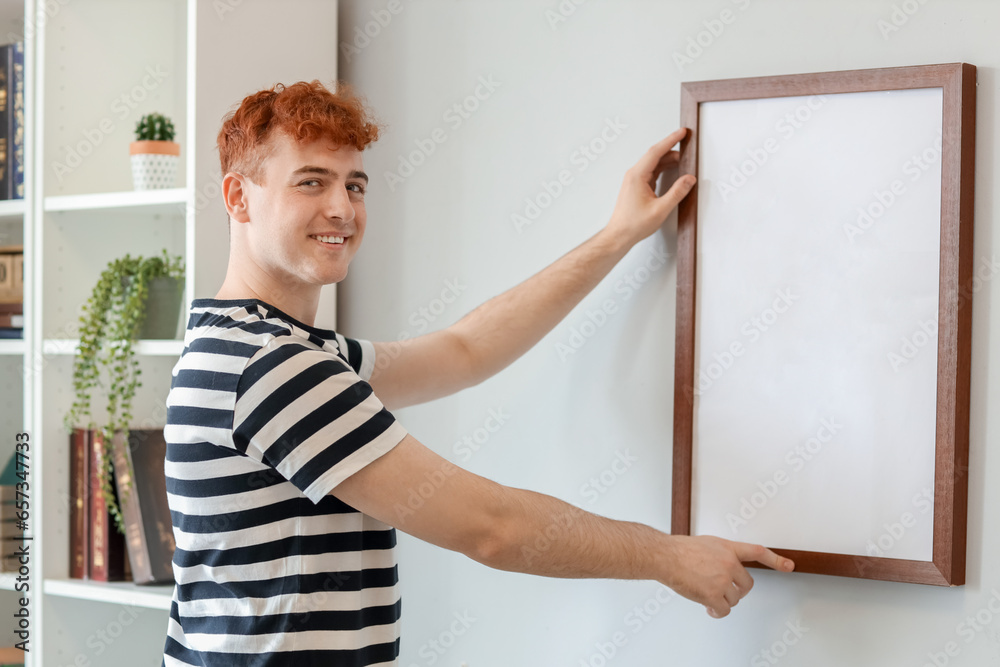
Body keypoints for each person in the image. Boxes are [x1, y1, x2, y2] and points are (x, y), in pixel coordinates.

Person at [161, 79, 795, 667]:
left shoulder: (268, 348)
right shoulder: (273, 367)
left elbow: (466, 350)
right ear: (238, 196)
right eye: (310, 182)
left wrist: (615, 237)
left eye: (354, 185)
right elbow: (492, 529)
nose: (343, 209)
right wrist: (669, 557)